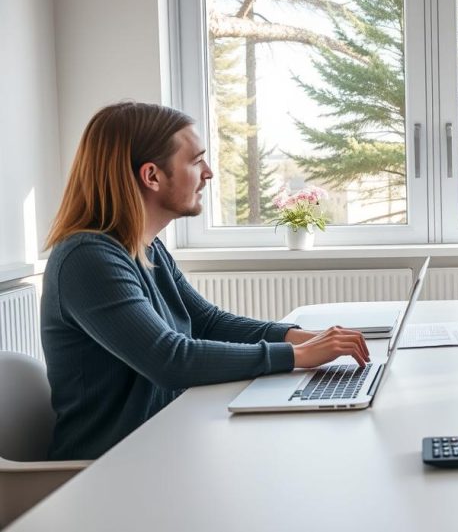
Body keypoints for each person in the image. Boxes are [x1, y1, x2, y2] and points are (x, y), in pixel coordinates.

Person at [41, 102, 370, 460]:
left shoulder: (146, 249)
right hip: (108, 471)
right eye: (196, 161)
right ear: (151, 176)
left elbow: (208, 322)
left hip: (163, 445)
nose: (209, 173)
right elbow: (170, 359)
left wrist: (305, 337)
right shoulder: (87, 259)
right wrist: (299, 355)